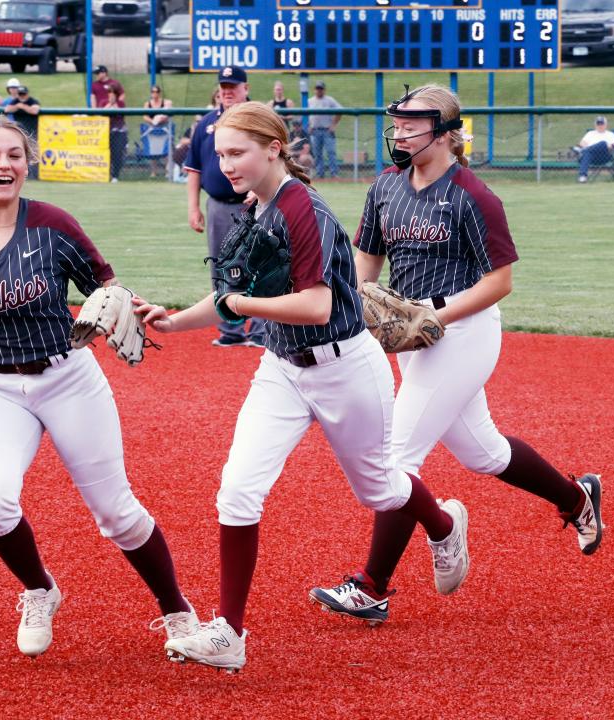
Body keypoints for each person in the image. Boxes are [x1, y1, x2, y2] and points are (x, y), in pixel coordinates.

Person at [135, 101, 470, 673]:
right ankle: (229, 633)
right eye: (220, 154)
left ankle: (443, 524)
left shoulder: (302, 210)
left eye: (238, 152)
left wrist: (236, 306)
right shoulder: (256, 208)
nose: (227, 164)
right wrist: (171, 320)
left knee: (380, 490)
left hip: (345, 367)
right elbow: (228, 299)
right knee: (237, 490)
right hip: (281, 369)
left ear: (274, 148)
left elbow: (315, 306)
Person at [0, 114, 198, 659]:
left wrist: (125, 305)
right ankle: (40, 590)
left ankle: (177, 610)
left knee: (115, 511)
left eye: (14, 154)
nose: (3, 164)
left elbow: (105, 287)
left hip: (67, 378)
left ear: (26, 163)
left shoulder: (53, 225)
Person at [310, 84, 604, 622]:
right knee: (484, 453)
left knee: (397, 457)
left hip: (463, 332)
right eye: (396, 124)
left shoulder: (473, 195)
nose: (399, 133)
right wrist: (354, 310)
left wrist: (436, 314)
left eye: (412, 125)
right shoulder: (385, 188)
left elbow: (501, 281)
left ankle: (371, 585)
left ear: (446, 134)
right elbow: (367, 266)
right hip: (409, 337)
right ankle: (577, 498)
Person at [183, 66, 265, 348]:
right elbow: (194, 169)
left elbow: (277, 160)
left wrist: (262, 188)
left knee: (263, 264)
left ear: (246, 88)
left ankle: (261, 331)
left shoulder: (259, 123)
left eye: (233, 85)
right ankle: (231, 330)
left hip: (256, 205)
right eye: (224, 86)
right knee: (222, 267)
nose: (227, 91)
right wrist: (194, 208)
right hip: (218, 205)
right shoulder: (206, 124)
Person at [3, 85, 41, 178]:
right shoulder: (15, 101)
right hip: (19, 133)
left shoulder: (32, 101)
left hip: (32, 132)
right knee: (20, 153)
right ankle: (21, 175)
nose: (22, 96)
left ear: (27, 94)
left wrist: (22, 106)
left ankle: (34, 176)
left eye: (23, 94)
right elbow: (7, 109)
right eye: (20, 94)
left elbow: (34, 110)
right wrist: (17, 106)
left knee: (33, 154)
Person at [307, 81, 342, 178]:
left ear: (324, 90)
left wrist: (334, 124)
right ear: (314, 90)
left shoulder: (329, 100)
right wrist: (309, 125)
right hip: (315, 130)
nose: (319, 90)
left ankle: (334, 173)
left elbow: (340, 110)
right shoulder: (310, 101)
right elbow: (304, 115)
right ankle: (320, 174)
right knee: (317, 153)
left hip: (327, 130)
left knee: (331, 152)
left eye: (321, 88)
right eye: (317, 88)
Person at [574, 115, 614, 183]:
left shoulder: (611, 134)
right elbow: (582, 143)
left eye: (602, 124)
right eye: (598, 124)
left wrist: (607, 146)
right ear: (595, 125)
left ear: (606, 125)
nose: (600, 126)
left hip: (604, 156)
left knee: (603, 143)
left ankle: (582, 150)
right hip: (592, 157)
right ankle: (583, 176)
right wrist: (585, 146)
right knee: (587, 154)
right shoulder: (590, 133)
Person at [143, 85, 173, 178]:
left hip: (164, 129)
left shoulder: (166, 102)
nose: (154, 94)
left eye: (156, 92)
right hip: (152, 130)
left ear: (159, 93)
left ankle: (167, 172)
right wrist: (153, 122)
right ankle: (153, 172)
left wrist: (161, 119)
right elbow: (145, 116)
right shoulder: (147, 104)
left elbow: (169, 113)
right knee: (153, 151)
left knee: (167, 151)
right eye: (153, 92)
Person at [104, 86, 127, 182]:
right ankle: (106, 174)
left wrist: (115, 104)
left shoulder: (121, 104)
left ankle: (115, 176)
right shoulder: (104, 103)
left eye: (113, 95)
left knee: (117, 154)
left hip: (119, 132)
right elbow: (102, 113)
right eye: (110, 95)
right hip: (106, 133)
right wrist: (110, 104)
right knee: (107, 154)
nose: (111, 97)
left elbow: (120, 114)